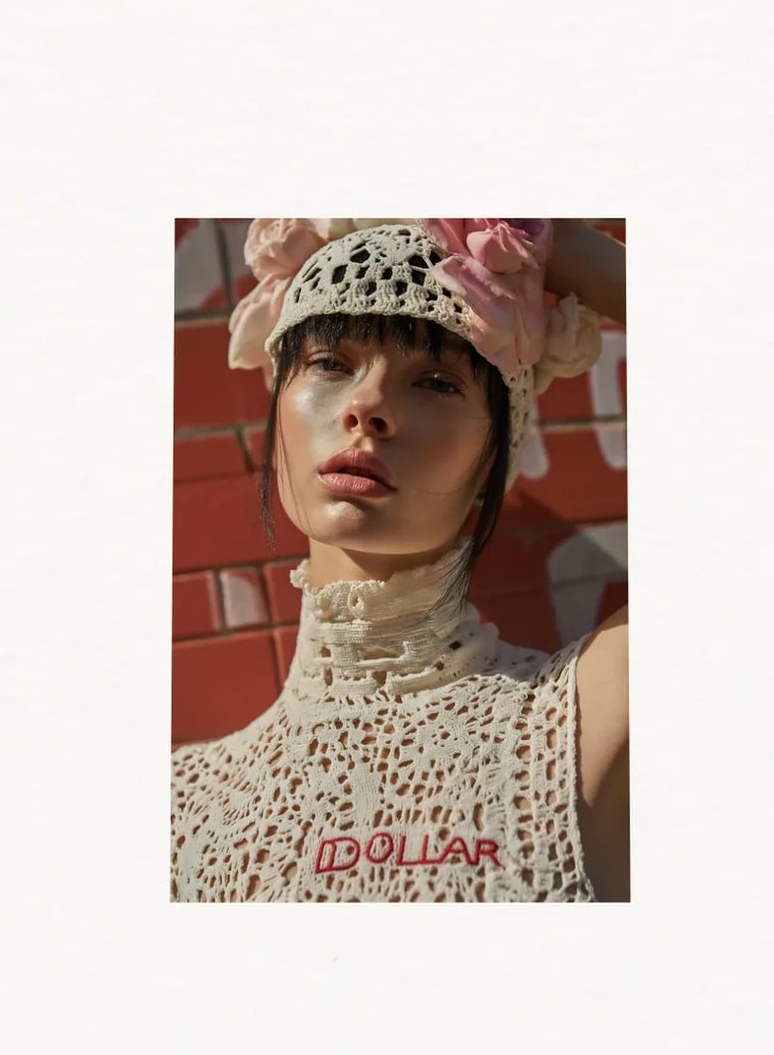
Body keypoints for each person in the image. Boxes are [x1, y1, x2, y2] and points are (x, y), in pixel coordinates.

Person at [170, 218, 629, 902]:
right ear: (276, 415)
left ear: (492, 460)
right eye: (329, 363)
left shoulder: (580, 723)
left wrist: (541, 237)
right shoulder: (179, 807)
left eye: (439, 382)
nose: (368, 405)